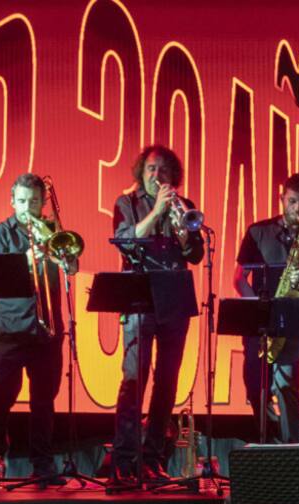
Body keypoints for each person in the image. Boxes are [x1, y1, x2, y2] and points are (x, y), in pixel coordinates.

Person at [110, 144, 204, 481]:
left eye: (163, 170)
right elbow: (124, 241)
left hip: (175, 298)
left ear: (172, 175)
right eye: (151, 169)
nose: (156, 175)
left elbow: (195, 255)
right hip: (139, 296)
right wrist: (156, 213)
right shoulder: (128, 204)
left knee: (167, 382)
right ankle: (124, 461)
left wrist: (182, 231)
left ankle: (152, 459)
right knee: (134, 380)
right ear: (141, 172)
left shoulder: (186, 207)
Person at [0, 172, 77, 486]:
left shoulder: (53, 230)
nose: (27, 207)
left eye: (33, 201)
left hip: (47, 330)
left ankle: (43, 465)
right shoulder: (1, 234)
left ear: (42, 202)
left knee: (43, 401)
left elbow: (71, 267)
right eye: (22, 201)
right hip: (11, 329)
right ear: (12, 202)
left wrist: (65, 258)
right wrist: (26, 259)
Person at [233, 173, 299, 442]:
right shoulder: (257, 231)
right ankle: (270, 444)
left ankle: (292, 451)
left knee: (286, 387)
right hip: (259, 319)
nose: (298, 209)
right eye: (293, 202)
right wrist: (257, 309)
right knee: (255, 390)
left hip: (293, 318)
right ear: (281, 198)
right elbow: (239, 279)